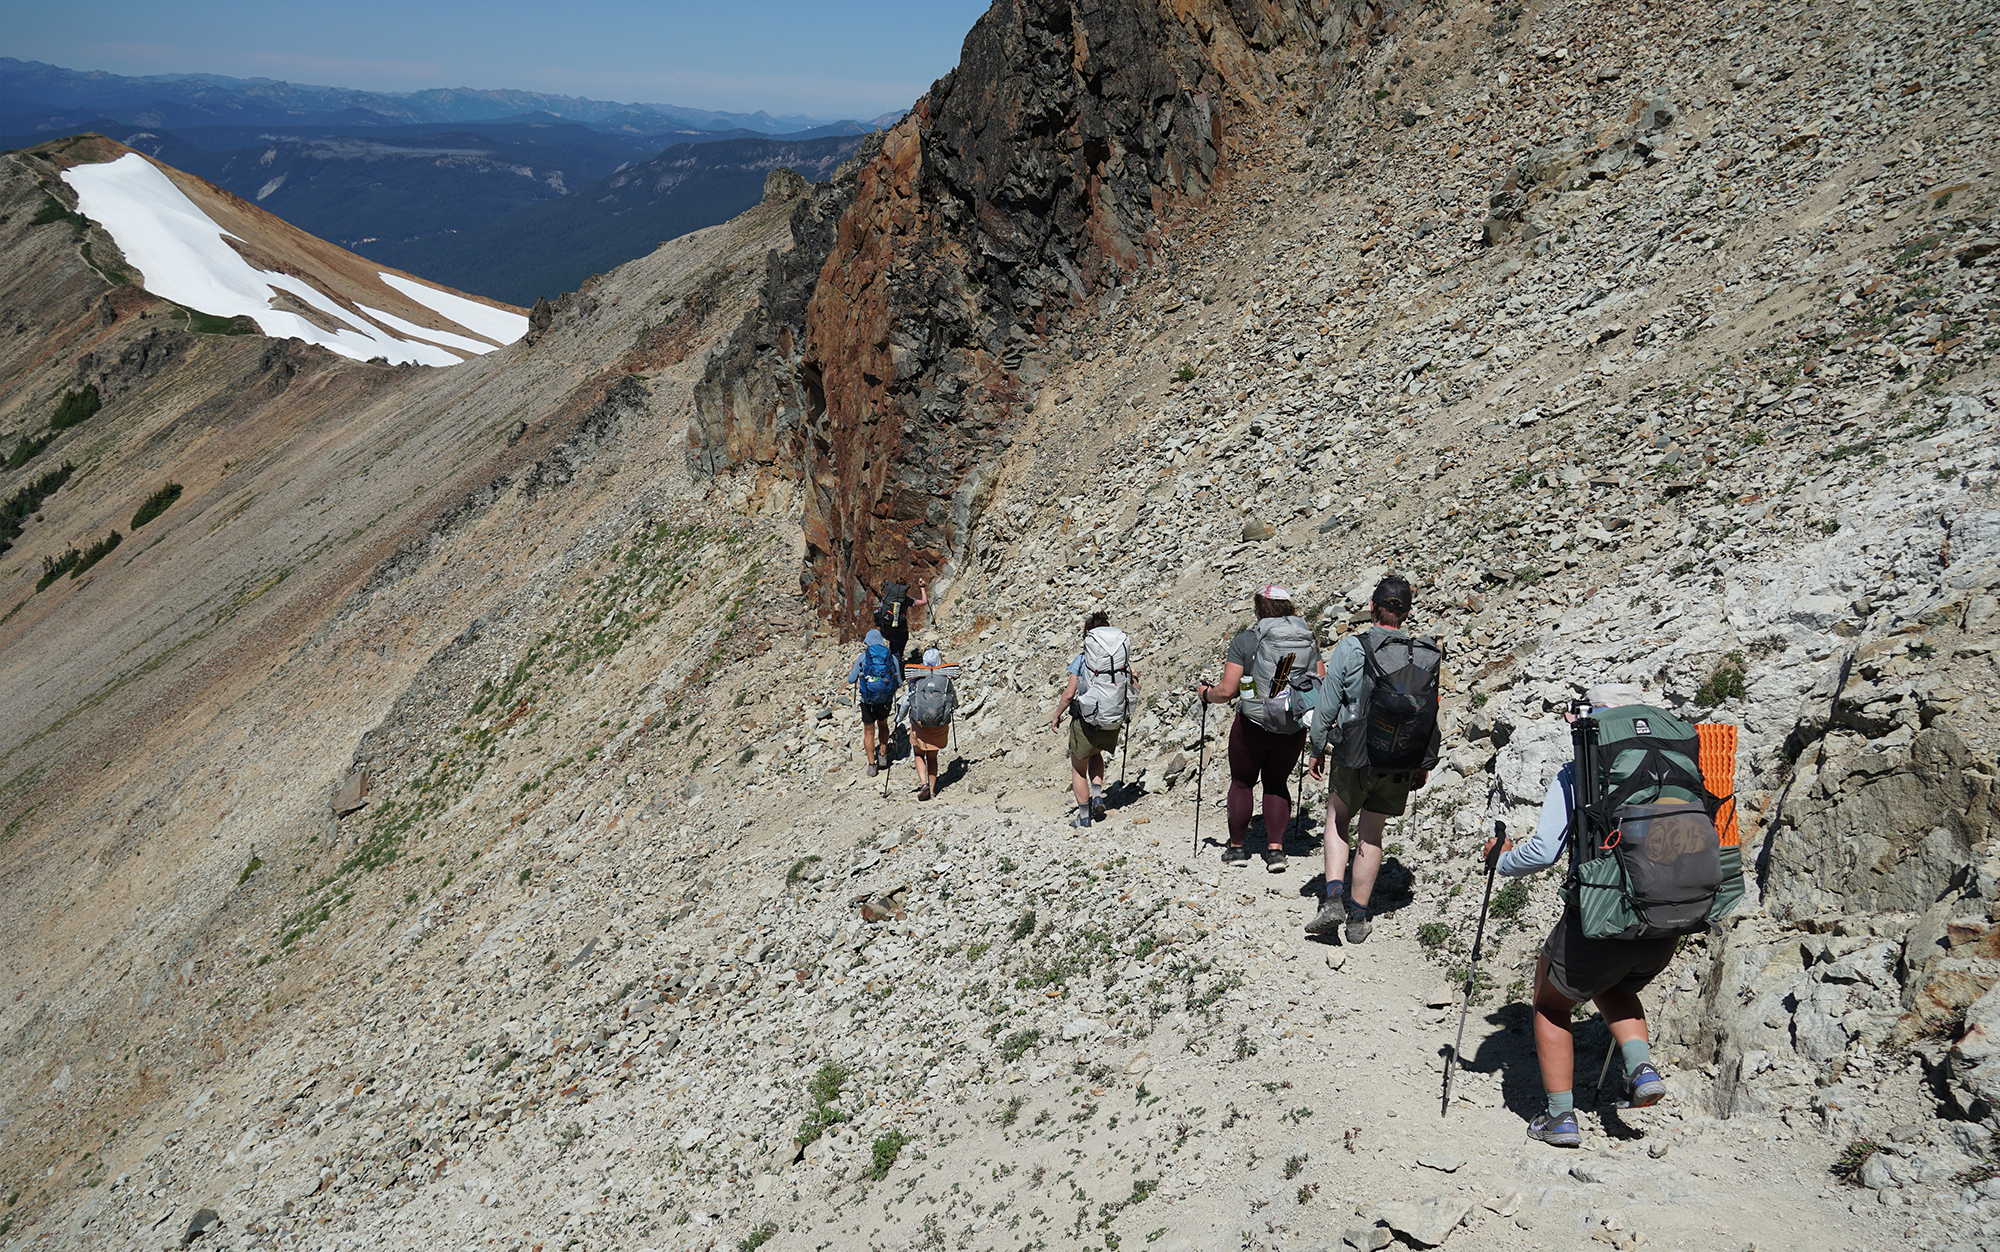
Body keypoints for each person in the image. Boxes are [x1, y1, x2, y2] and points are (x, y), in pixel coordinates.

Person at [1482, 683, 1674, 1148]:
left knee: (1551, 1000)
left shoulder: (1583, 771)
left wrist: (1499, 860)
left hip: (1605, 908)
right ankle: (1641, 1067)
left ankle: (1560, 1118)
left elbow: (1545, 851)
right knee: (1617, 982)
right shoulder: (1672, 767)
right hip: (1672, 914)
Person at [1306, 575, 1440, 942]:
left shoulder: (1353, 647)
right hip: (1399, 758)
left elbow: (1327, 705)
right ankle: (1358, 917)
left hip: (1355, 754)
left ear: (1371, 606)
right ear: (1406, 613)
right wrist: (1422, 762)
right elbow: (1429, 713)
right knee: (1373, 832)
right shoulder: (1421, 654)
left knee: (1338, 819)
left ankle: (1333, 897)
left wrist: (1317, 748)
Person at [1198, 586, 1324, 871]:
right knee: (1277, 782)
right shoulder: (1306, 638)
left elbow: (1228, 690)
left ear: (1258, 611)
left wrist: (1205, 693)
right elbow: (1320, 682)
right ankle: (1276, 852)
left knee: (1242, 782)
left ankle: (1237, 849)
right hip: (1292, 726)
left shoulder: (1247, 640)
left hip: (1253, 724)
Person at [1048, 611, 1139, 828]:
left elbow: (1069, 694)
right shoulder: (1120, 662)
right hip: (1112, 720)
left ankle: (1084, 816)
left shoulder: (1081, 660)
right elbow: (1135, 687)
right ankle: (1098, 796)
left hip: (1086, 721)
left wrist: (1057, 715)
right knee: (1096, 754)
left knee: (1078, 768)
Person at [845, 628, 902, 777]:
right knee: (883, 724)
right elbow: (900, 682)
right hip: (885, 700)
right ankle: (883, 755)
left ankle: (872, 765)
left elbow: (851, 680)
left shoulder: (863, 658)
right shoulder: (891, 657)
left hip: (868, 701)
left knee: (868, 732)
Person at [904, 647, 954, 802]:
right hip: (939, 724)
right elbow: (954, 703)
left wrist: (898, 718)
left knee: (919, 753)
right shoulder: (946, 679)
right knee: (932, 757)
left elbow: (906, 702)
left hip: (919, 725)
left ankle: (923, 783)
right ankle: (932, 791)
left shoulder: (916, 678)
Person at [874, 580, 928, 660]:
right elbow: (924, 601)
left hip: (885, 632)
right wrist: (922, 587)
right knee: (898, 652)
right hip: (899, 633)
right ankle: (896, 668)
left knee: (893, 644)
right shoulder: (906, 600)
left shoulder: (886, 598)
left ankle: (890, 661)